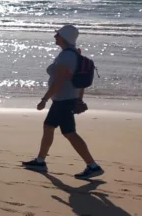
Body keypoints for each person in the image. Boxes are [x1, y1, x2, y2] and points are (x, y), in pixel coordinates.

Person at [22, 25, 104, 179]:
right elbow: (79, 82)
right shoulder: (72, 54)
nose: (55, 37)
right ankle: (40, 161)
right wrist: (79, 98)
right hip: (64, 99)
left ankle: (93, 166)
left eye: (57, 34)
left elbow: (59, 81)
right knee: (48, 127)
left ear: (64, 37)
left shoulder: (66, 56)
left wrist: (44, 99)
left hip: (63, 101)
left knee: (69, 133)